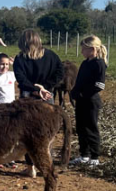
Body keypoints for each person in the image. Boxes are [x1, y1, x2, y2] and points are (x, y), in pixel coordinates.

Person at [69, 35, 108, 167]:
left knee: (91, 128)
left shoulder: (99, 63)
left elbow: (99, 85)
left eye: (84, 49)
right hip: (81, 101)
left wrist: (83, 94)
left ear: (92, 49)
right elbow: (79, 81)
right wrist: (74, 92)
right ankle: (84, 155)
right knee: (81, 128)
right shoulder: (85, 63)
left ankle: (95, 157)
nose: (82, 52)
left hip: (91, 101)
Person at [13, 29, 64, 103]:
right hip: (46, 94)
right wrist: (45, 87)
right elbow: (60, 73)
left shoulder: (20, 58)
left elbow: (21, 79)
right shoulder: (51, 55)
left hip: (27, 96)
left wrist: (35, 89)